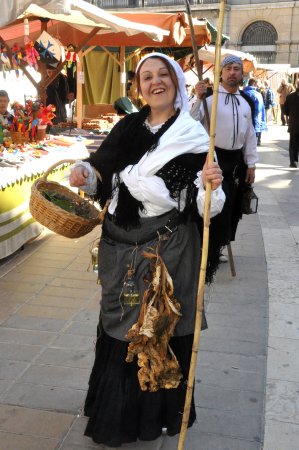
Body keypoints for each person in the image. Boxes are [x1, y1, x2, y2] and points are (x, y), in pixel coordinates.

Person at [70, 52, 226, 447]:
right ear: (137, 86)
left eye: (163, 76)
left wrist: (212, 184)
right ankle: (115, 414)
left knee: (156, 327)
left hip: (168, 249)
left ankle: (149, 417)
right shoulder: (128, 126)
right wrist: (85, 174)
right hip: (118, 244)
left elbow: (205, 207)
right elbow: (103, 168)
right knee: (120, 323)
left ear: (176, 83)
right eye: (146, 77)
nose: (154, 82)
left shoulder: (194, 136)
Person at [191, 55, 258, 244]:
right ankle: (209, 245)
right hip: (213, 159)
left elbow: (250, 135)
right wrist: (198, 98)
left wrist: (251, 164)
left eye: (236, 69)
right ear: (221, 73)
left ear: (242, 74)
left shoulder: (246, 102)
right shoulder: (209, 99)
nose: (232, 72)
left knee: (232, 205)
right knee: (214, 203)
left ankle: (223, 242)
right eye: (228, 68)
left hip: (236, 161)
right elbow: (192, 121)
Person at [243, 78, 267, 146]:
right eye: (257, 84)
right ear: (254, 84)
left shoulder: (244, 93)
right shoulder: (257, 94)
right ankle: (258, 140)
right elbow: (259, 108)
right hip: (257, 117)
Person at [284, 79, 299, 168]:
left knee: (293, 144)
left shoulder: (290, 97)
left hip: (294, 124)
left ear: (296, 85)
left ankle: (293, 162)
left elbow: (285, 111)